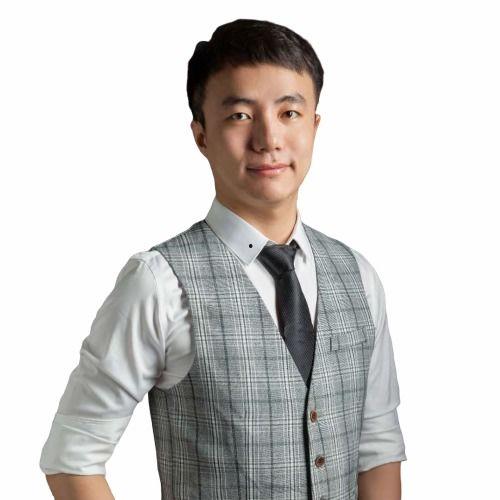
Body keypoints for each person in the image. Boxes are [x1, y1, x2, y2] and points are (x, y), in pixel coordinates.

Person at [40, 18, 407, 500]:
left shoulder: (357, 276)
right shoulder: (159, 284)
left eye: (289, 112)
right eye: (239, 115)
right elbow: (72, 456)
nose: (268, 139)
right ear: (201, 135)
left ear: (314, 125)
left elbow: (376, 448)